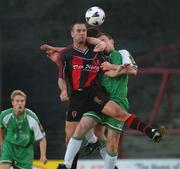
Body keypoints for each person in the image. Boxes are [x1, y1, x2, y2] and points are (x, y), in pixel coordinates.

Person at [0, 90, 47, 169]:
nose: (20, 103)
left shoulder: (32, 118)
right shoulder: (4, 115)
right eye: (17, 101)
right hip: (9, 147)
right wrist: (2, 144)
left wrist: (43, 155)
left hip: (25, 150)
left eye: (22, 101)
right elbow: (1, 129)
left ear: (25, 102)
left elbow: (42, 138)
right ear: (12, 102)